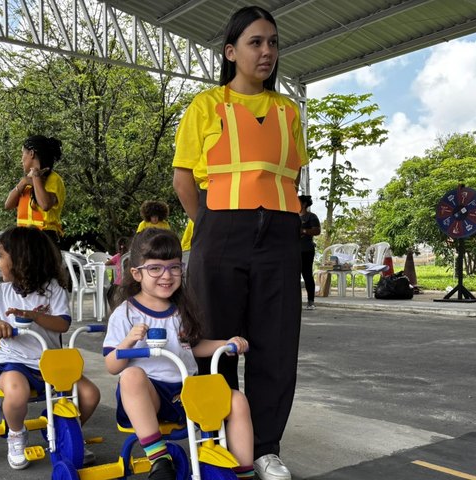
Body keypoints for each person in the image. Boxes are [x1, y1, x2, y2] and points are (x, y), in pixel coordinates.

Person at [171, 6, 307, 479]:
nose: (267, 51)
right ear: (231, 52)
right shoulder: (206, 105)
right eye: (255, 42)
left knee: (276, 342)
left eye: (273, 42)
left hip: (281, 237)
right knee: (217, 343)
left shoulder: (289, 112)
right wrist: (210, 226)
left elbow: (287, 176)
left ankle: (265, 447)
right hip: (221, 232)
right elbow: (183, 177)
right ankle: (217, 438)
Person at [103, 228, 254, 480]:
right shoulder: (126, 313)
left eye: (174, 267)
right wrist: (128, 341)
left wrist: (225, 343)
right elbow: (111, 364)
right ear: (136, 273)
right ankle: (159, 459)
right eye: (155, 268)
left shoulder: (179, 309)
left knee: (237, 400)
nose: (166, 275)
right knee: (131, 376)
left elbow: (192, 346)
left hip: (186, 392)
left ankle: (243, 471)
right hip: (150, 396)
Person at [0, 226, 100, 470]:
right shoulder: (2, 292)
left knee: (90, 395)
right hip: (14, 360)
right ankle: (16, 435)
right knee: (16, 393)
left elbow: (62, 324)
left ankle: (62, 431)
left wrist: (32, 316)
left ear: (22, 260)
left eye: (2, 256)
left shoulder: (53, 290)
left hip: (51, 362)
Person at [4, 135, 66, 247]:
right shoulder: (26, 180)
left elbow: (45, 204)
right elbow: (8, 205)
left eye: (23, 153)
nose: (21, 159)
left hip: (44, 239)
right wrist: (23, 182)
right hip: (24, 238)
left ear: (31, 153)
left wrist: (36, 177)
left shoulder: (54, 179)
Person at [299, 194, 321, 310]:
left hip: (306, 250)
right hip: (294, 250)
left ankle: (310, 301)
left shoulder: (311, 217)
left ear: (304, 204)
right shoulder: (293, 216)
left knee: (307, 275)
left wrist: (303, 230)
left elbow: (317, 231)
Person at [104, 236, 129, 311]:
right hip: (132, 282)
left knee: (109, 294)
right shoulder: (134, 255)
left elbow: (106, 264)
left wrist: (116, 265)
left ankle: (114, 311)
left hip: (119, 283)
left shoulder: (117, 256)